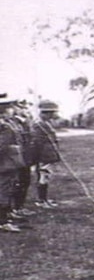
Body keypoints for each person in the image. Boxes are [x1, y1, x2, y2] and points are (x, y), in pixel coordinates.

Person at [0, 94, 26, 232]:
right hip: (4, 164)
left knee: (7, 189)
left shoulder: (6, 123)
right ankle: (3, 221)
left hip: (8, 163)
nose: (12, 110)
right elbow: (2, 146)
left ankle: (6, 216)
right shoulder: (3, 125)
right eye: (9, 107)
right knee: (3, 191)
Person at [31, 100, 61, 209]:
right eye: (51, 113)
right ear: (45, 113)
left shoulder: (46, 123)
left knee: (46, 177)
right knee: (43, 177)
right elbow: (37, 143)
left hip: (48, 155)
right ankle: (41, 200)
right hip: (43, 156)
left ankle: (44, 199)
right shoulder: (39, 124)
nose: (53, 115)